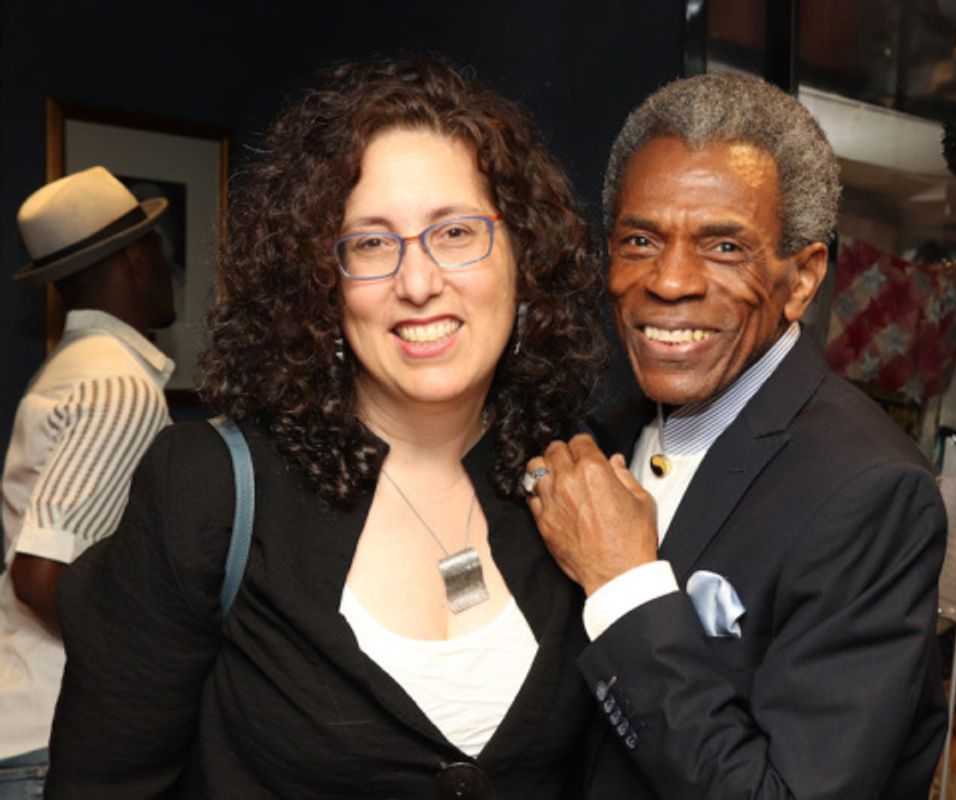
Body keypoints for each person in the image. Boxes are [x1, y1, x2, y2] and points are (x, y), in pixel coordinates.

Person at [46, 59, 604, 797]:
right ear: (320, 284)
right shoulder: (208, 489)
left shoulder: (577, 480)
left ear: (522, 256)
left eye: (456, 232)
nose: (417, 281)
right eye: (371, 244)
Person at [525, 73, 948, 799]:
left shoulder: (871, 493)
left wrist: (626, 588)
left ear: (802, 278)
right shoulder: (598, 439)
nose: (670, 281)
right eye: (640, 239)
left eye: (723, 246)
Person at [0, 166, 176, 797]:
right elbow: (38, 574)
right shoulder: (119, 387)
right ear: (136, 258)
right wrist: (149, 672)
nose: (167, 268)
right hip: (54, 734)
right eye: (160, 250)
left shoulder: (69, 371)